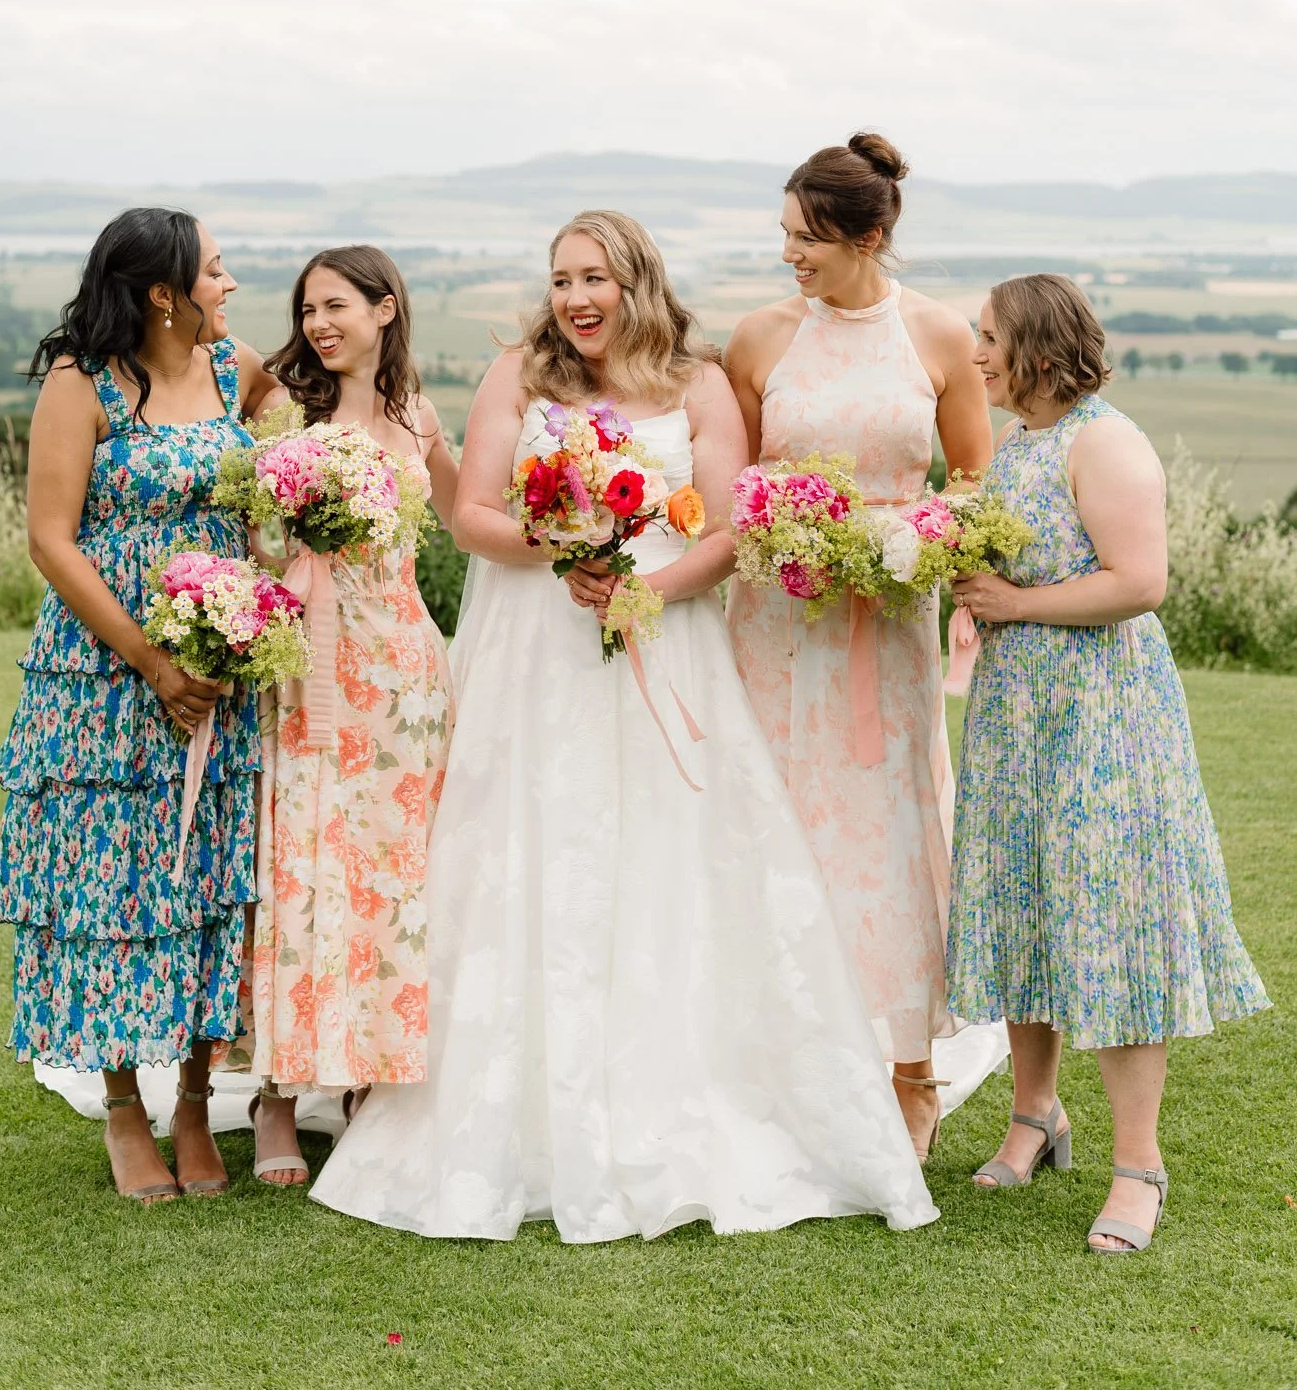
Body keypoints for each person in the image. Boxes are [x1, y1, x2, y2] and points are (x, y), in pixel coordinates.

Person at [310, 210, 938, 1241]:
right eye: (561, 280)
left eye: (594, 278)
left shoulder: (699, 384)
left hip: (665, 640)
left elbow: (729, 527)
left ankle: (679, 1093)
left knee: (669, 855)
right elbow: (473, 515)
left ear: (637, 281)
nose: (575, 299)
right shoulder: (519, 373)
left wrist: (648, 592)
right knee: (530, 851)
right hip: (537, 648)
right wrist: (562, 550)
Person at [946, 273, 1269, 1253]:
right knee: (1025, 905)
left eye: (990, 336)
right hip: (1015, 715)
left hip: (1103, 717)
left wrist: (1012, 603)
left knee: (1112, 920)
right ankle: (1035, 1116)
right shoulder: (1019, 443)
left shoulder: (1106, 441)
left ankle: (1139, 1168)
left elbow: (1141, 582)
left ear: (1041, 350)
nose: (975, 353)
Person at [0, 209, 275, 1203]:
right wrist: (151, 660)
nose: (230, 285)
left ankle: (195, 1102)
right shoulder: (84, 382)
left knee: (208, 877)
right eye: (216, 270)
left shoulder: (237, 368)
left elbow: (298, 444)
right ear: (163, 292)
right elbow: (51, 538)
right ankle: (123, 1108)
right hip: (103, 677)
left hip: (221, 667)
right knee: (108, 881)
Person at [724, 135, 992, 1159]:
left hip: (887, 626)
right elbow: (731, 477)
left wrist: (907, 541)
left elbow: (972, 480)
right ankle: (779, 1062)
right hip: (775, 626)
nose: (789, 254)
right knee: (779, 821)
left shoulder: (938, 336)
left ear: (867, 238)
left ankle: (910, 1070)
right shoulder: (758, 339)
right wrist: (783, 528)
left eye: (808, 239)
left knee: (887, 830)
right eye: (785, 235)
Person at [246, 246, 457, 1186]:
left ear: (384, 309)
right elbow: (248, 535)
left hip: (404, 670)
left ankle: (372, 1071)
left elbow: (469, 521)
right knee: (304, 862)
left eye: (335, 305)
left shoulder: (419, 417)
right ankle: (278, 1094)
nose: (318, 324)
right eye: (307, 310)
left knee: (391, 871)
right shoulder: (284, 413)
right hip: (311, 664)